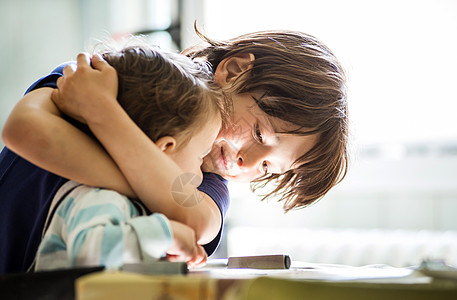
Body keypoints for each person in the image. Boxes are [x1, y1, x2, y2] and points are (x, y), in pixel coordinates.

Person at [1, 28, 348, 274]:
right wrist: (102, 101)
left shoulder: (206, 182)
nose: (249, 162)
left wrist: (102, 112)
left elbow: (196, 223)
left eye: (269, 167)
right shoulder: (105, 78)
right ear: (235, 71)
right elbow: (21, 130)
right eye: (259, 132)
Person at [1, 43, 226, 273]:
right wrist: (165, 234)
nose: (200, 176)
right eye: (200, 158)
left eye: (266, 166)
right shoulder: (97, 199)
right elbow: (93, 252)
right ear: (165, 147)